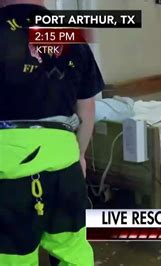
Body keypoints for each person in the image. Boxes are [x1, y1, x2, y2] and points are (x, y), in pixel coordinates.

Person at [0, 0, 104, 265]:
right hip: (64, 163)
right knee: (73, 252)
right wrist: (79, 156)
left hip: (8, 170)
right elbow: (87, 107)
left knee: (14, 257)